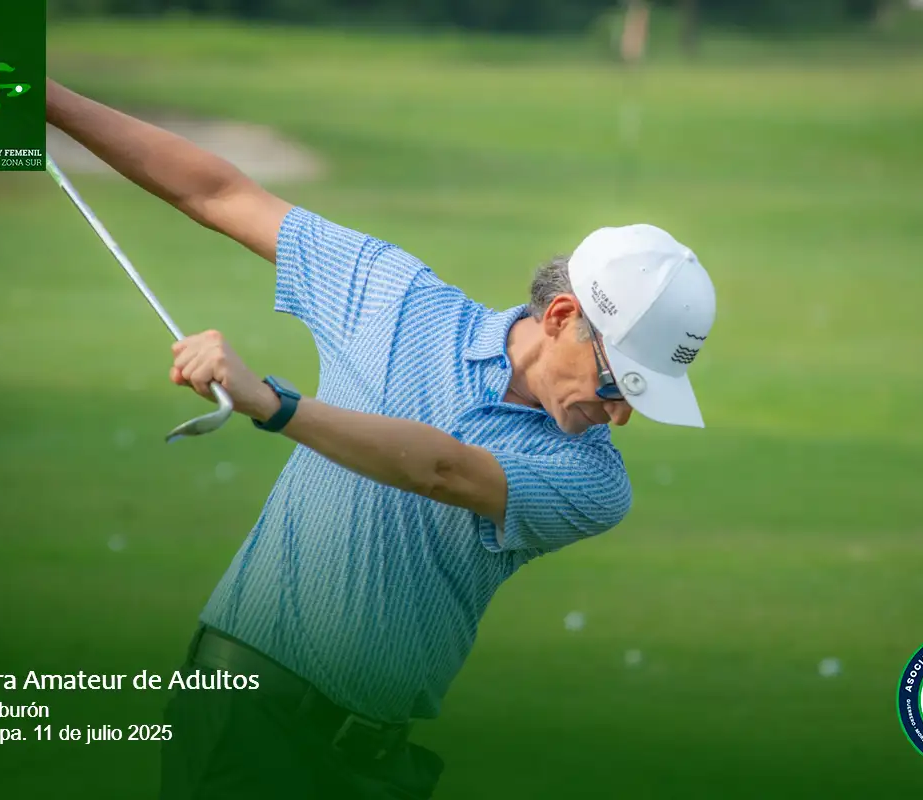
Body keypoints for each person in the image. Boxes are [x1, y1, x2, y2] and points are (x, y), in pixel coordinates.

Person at [45, 78, 717, 800]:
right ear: (560, 317)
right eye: (618, 385)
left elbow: (443, 470)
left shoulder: (595, 482)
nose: (620, 416)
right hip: (244, 717)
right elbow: (218, 193)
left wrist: (275, 406)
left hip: (371, 766)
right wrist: (46, 100)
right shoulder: (395, 299)